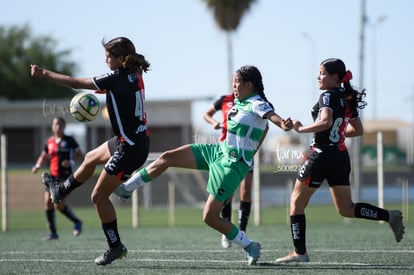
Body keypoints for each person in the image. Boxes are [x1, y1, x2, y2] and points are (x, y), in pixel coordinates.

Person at [114, 65, 293, 265]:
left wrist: (282, 124)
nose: (233, 85)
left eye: (237, 82)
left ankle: (249, 245)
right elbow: (263, 127)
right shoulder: (239, 102)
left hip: (232, 165)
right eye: (233, 81)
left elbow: (271, 119)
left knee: (209, 217)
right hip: (217, 152)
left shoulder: (256, 103)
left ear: (249, 84)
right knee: (167, 157)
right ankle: (127, 188)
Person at [30, 37, 151, 266]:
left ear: (121, 58)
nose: (105, 59)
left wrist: (44, 73)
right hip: (134, 141)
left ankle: (115, 246)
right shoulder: (135, 74)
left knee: (98, 196)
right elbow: (124, 91)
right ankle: (60, 190)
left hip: (130, 148)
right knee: (90, 157)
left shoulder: (115, 78)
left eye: (108, 56)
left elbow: (76, 81)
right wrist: (109, 92)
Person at [275, 58, 405, 264]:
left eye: (322, 73)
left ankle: (299, 252)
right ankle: (389, 215)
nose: (318, 77)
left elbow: (325, 122)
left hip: (319, 155)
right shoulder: (346, 97)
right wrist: (338, 136)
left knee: (296, 204)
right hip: (340, 156)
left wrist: (300, 128)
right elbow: (358, 130)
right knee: (346, 208)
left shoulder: (327, 95)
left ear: (335, 77)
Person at [203, 93, 253, 249]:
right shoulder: (224, 99)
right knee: (228, 193)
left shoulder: (251, 102)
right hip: (227, 152)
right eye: (234, 81)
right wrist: (214, 123)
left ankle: (243, 231)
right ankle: (226, 230)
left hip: (245, 151)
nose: (236, 84)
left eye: (239, 81)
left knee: (246, 191)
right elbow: (207, 114)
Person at [32, 117, 83, 240]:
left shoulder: (70, 141)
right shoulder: (49, 142)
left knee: (59, 205)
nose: (58, 126)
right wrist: (37, 165)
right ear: (52, 127)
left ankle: (77, 222)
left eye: (60, 124)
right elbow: (43, 156)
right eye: (56, 124)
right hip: (52, 178)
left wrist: (71, 162)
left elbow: (80, 155)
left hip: (66, 178)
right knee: (47, 203)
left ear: (64, 127)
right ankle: (53, 233)